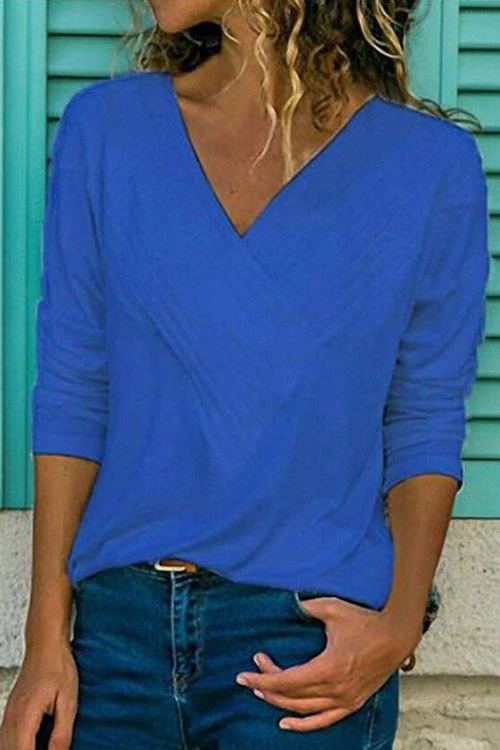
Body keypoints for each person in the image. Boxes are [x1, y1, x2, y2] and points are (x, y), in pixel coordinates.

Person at [0, 1, 490, 749]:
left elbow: (423, 413)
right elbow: (74, 388)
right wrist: (44, 641)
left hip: (304, 650)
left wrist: (398, 626)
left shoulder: (428, 167)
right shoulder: (105, 131)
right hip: (112, 648)